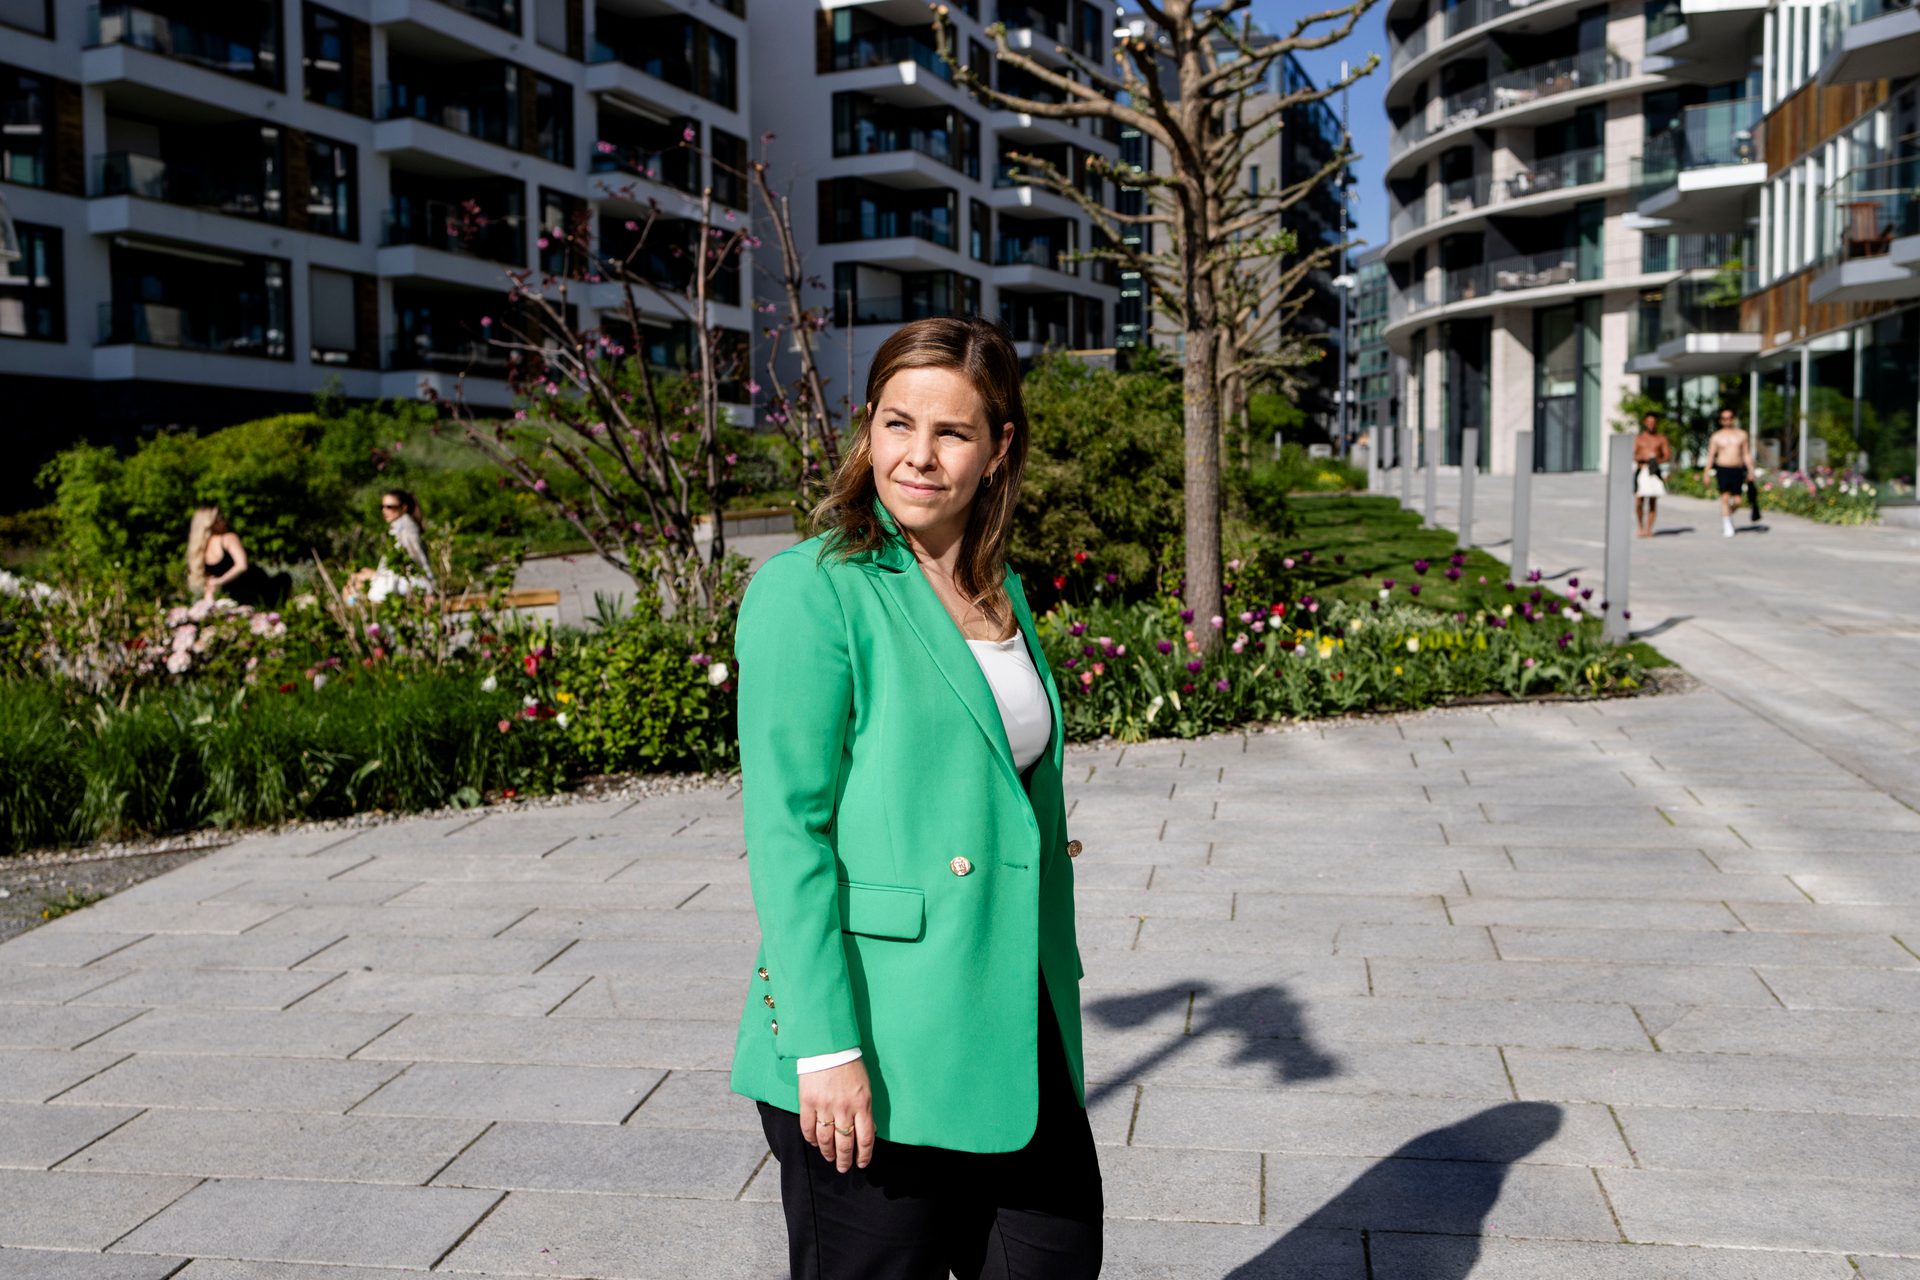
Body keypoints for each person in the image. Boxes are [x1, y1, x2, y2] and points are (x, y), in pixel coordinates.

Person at [730, 316, 1100, 1279]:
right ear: (868, 429)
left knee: (1055, 1258)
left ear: (999, 447)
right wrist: (822, 1047)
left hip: (1012, 1009)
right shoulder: (813, 589)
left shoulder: (996, 585)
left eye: (953, 433)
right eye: (898, 425)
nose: (919, 457)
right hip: (877, 1035)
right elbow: (787, 831)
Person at [349, 489, 435, 601]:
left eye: (390, 507)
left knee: (356, 582)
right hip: (399, 579)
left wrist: (429, 590)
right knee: (358, 576)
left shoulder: (408, 530)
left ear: (404, 507)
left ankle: (350, 608)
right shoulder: (398, 528)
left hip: (408, 582)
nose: (384, 510)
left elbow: (420, 560)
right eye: (382, 507)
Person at [186, 506, 277, 606]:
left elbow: (212, 582)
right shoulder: (227, 538)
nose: (225, 521)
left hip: (244, 592)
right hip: (252, 590)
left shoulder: (199, 551)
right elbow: (242, 566)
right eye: (221, 519)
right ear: (212, 523)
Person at [1702, 407, 1755, 538]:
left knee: (1737, 501)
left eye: (1730, 418)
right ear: (1721, 420)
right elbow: (1711, 456)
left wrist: (1751, 470)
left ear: (1733, 419)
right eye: (1725, 418)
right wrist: (1706, 473)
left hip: (1737, 469)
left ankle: (1728, 515)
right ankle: (1727, 524)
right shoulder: (1716, 436)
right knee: (1725, 497)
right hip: (1723, 468)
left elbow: (1746, 454)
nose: (1728, 421)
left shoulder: (1742, 435)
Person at [1633, 411, 1673, 538]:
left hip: (1655, 471)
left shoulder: (1661, 439)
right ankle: (1640, 526)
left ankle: (1649, 528)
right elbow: (1633, 454)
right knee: (1639, 500)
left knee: (1652, 501)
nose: (1651, 425)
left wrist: (1656, 460)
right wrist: (1643, 457)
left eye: (1653, 422)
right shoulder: (1639, 438)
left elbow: (1667, 455)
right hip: (1642, 470)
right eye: (1648, 422)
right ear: (1645, 423)